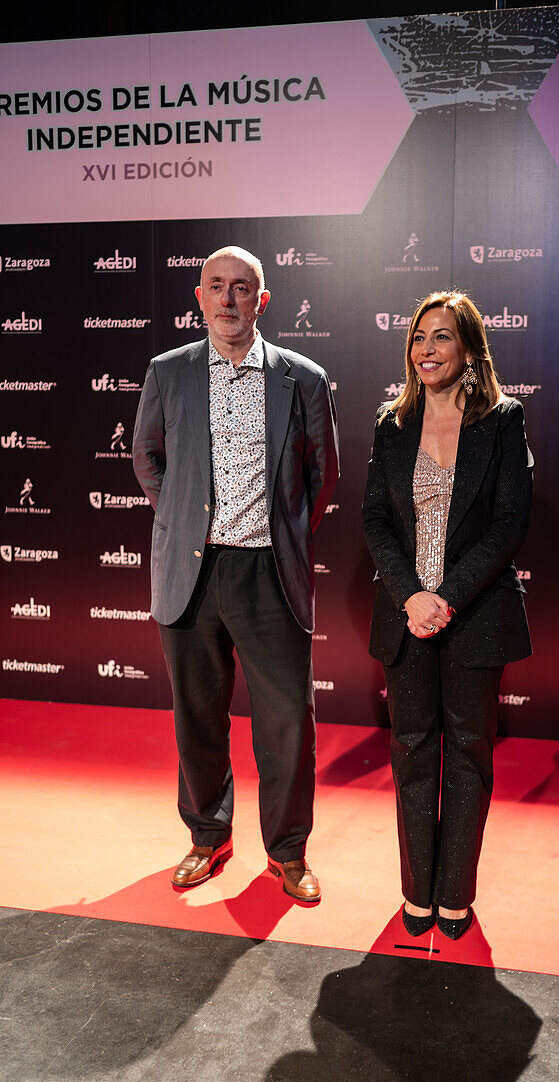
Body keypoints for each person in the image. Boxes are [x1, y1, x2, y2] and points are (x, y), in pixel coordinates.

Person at [133, 246, 339, 901]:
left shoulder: (302, 377)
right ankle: (206, 836)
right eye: (216, 287)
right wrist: (183, 522)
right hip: (192, 574)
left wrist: (284, 534)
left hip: (271, 576)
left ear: (262, 300)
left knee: (286, 722)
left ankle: (288, 852)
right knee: (198, 718)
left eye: (241, 288)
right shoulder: (169, 373)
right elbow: (147, 456)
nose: (228, 299)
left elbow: (321, 474)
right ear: (199, 297)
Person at [362, 290, 533, 939]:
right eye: (419, 337)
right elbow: (374, 518)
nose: (427, 350)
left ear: (468, 349)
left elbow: (509, 524)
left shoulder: (503, 419)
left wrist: (447, 597)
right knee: (410, 753)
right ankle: (416, 892)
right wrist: (411, 596)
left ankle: (454, 894)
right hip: (406, 618)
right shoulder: (392, 421)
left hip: (474, 614)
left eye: (442, 337)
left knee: (467, 754)